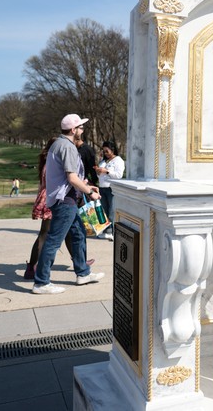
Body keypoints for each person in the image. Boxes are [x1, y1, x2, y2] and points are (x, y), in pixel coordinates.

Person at [32, 114, 104, 294]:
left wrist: (86, 184)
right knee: (54, 241)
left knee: (78, 234)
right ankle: (41, 283)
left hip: (67, 199)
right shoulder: (67, 147)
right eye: (80, 127)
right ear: (73, 130)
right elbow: (72, 178)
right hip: (65, 201)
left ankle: (83, 273)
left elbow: (69, 177)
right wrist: (90, 193)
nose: (82, 130)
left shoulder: (59, 144)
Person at [24, 137, 95, 280]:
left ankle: (79, 262)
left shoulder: (47, 161)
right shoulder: (53, 162)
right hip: (54, 198)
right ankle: (33, 269)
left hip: (49, 197)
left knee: (69, 233)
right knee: (47, 235)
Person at [94, 140, 125, 241]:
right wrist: (98, 171)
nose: (106, 153)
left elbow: (119, 175)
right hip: (102, 188)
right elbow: (100, 175)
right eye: (104, 151)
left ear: (112, 150)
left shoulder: (118, 160)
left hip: (111, 188)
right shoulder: (103, 161)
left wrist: (106, 171)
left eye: (107, 151)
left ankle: (111, 231)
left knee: (111, 211)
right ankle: (106, 230)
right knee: (103, 211)